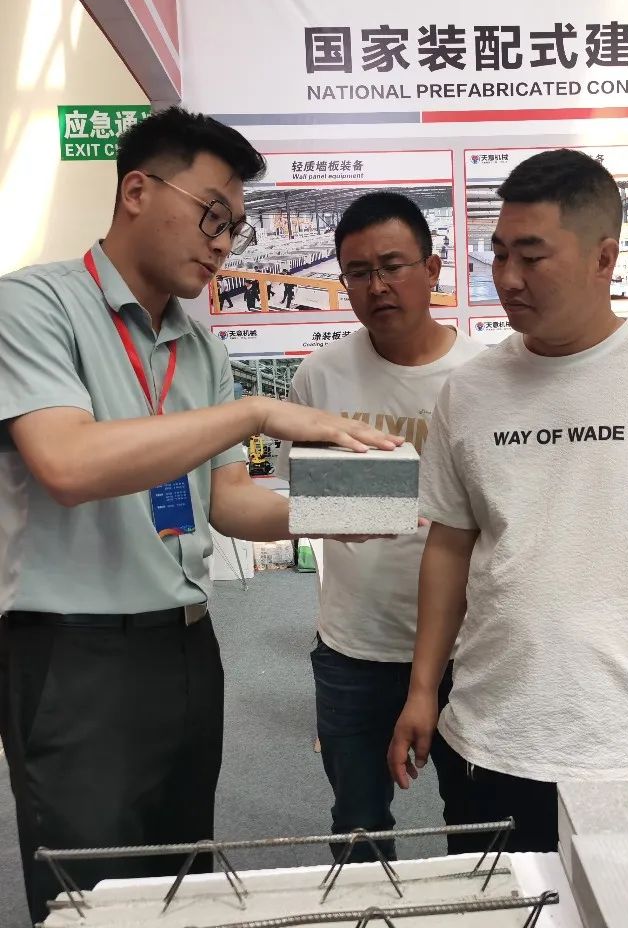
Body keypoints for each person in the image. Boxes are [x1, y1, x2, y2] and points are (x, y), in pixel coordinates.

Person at [0, 106, 400, 924]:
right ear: (137, 191)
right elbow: (67, 465)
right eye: (212, 215)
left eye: (234, 228)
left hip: (187, 645)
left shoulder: (200, 347)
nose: (222, 244)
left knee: (183, 876)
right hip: (71, 654)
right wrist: (253, 413)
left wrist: (335, 508)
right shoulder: (33, 307)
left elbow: (227, 501)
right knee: (92, 890)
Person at [388, 148, 628, 855]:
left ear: (604, 258)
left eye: (532, 256)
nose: (507, 277)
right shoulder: (469, 392)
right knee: (506, 904)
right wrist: (422, 690)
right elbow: (448, 548)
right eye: (499, 253)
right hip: (493, 737)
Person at [276, 192, 483, 861]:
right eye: (358, 273)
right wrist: (350, 507)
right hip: (354, 645)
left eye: (392, 266)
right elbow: (300, 497)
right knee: (358, 824)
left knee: (479, 826)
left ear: (433, 268)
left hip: (468, 648)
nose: (377, 286)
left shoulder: (484, 377)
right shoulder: (320, 377)